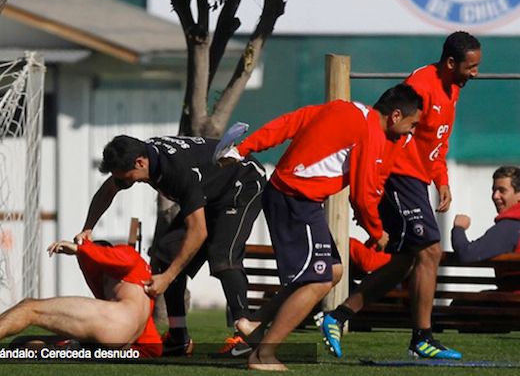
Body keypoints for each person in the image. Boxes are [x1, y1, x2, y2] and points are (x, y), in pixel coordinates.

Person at [219, 83, 422, 370]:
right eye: (412, 124)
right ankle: (263, 355)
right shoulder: (371, 134)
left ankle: (253, 322)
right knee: (318, 280)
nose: (411, 132)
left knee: (334, 271)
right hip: (295, 199)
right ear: (396, 115)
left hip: (295, 198)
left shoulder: (345, 108)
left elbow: (289, 123)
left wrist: (243, 148)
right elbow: (361, 196)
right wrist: (377, 233)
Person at [320, 31, 481, 360]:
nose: (475, 73)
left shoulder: (454, 88)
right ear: (451, 63)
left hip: (417, 179)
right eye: (471, 67)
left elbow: (438, 139)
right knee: (431, 251)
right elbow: (385, 128)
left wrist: (441, 178)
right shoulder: (420, 85)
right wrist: (374, 182)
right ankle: (422, 338)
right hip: (398, 176)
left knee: (407, 261)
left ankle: (337, 316)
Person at [75, 135, 266, 356]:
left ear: (140, 163)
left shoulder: (176, 171)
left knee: (223, 256)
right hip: (212, 190)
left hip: (243, 182)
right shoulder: (143, 157)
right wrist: (88, 227)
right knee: (165, 254)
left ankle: (245, 335)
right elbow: (109, 189)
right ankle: (178, 337)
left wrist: (167, 278)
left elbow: (198, 231)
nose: (127, 182)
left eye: (128, 177)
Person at [0, 239, 162, 358]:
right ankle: (69, 349)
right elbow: (153, 342)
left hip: (114, 323)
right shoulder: (140, 288)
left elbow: (120, 256)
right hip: (121, 339)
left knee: (29, 308)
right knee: (21, 343)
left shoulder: (125, 256)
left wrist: (81, 249)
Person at [452, 166, 520, 292]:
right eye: (494, 190)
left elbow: (467, 254)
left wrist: (458, 228)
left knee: (459, 304)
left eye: (502, 190)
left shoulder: (511, 225)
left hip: (513, 304)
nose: (495, 196)